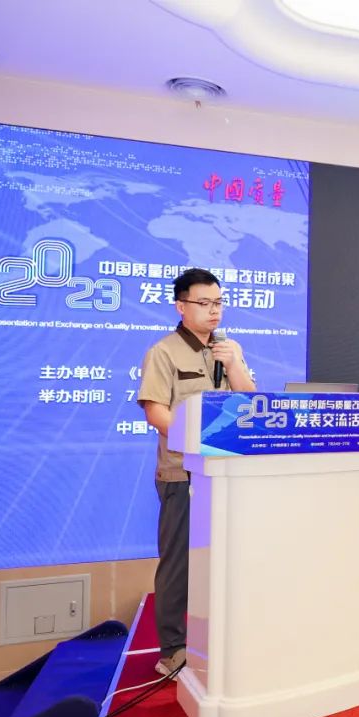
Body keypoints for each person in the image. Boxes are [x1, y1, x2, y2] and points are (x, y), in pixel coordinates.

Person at [137, 268, 256, 677]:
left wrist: (234, 365)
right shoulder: (163, 352)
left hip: (226, 476)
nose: (214, 311)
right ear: (181, 306)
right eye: (204, 303)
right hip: (183, 475)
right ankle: (172, 650)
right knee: (179, 565)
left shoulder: (229, 348)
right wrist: (199, 442)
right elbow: (156, 412)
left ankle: (219, 638)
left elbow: (251, 402)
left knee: (226, 558)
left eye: (218, 302)